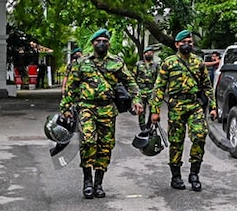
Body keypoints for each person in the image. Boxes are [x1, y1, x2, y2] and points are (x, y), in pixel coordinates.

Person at [60, 29, 142, 199]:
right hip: (87, 107)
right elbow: (72, 87)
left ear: (109, 44)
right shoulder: (82, 63)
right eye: (98, 41)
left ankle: (98, 183)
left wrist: (137, 99)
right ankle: (87, 181)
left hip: (107, 109)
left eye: (105, 40)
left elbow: (130, 82)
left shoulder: (116, 62)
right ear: (92, 44)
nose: (102, 43)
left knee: (105, 146)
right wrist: (66, 108)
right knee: (88, 141)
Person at [149, 30, 217, 192]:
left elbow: (207, 86)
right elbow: (159, 88)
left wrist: (213, 107)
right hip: (176, 106)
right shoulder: (169, 63)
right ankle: (176, 176)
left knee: (200, 135)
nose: (187, 44)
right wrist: (155, 110)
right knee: (176, 142)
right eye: (183, 42)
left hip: (194, 105)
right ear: (177, 45)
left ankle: (194, 174)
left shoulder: (198, 62)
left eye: (190, 41)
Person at [134, 46, 158, 129]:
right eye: (148, 52)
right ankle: (142, 127)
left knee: (153, 109)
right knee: (141, 110)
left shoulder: (155, 65)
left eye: (151, 52)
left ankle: (149, 125)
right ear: (144, 54)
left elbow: (158, 78)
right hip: (141, 90)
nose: (149, 54)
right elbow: (133, 76)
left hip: (151, 91)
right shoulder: (138, 64)